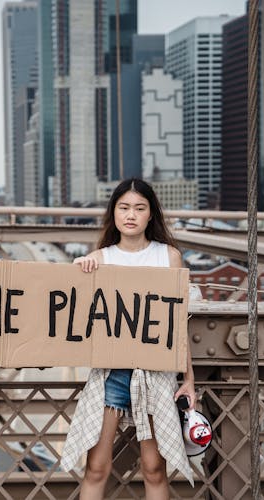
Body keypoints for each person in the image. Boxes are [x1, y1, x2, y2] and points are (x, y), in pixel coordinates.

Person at [59, 178, 195, 500]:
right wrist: (78, 271)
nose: (131, 215)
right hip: (111, 373)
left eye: (139, 208)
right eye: (124, 208)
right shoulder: (100, 258)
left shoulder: (168, 257)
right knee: (96, 466)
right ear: (114, 213)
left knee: (153, 467)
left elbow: (177, 324)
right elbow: (73, 309)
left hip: (155, 373)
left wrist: (189, 379)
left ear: (151, 214)